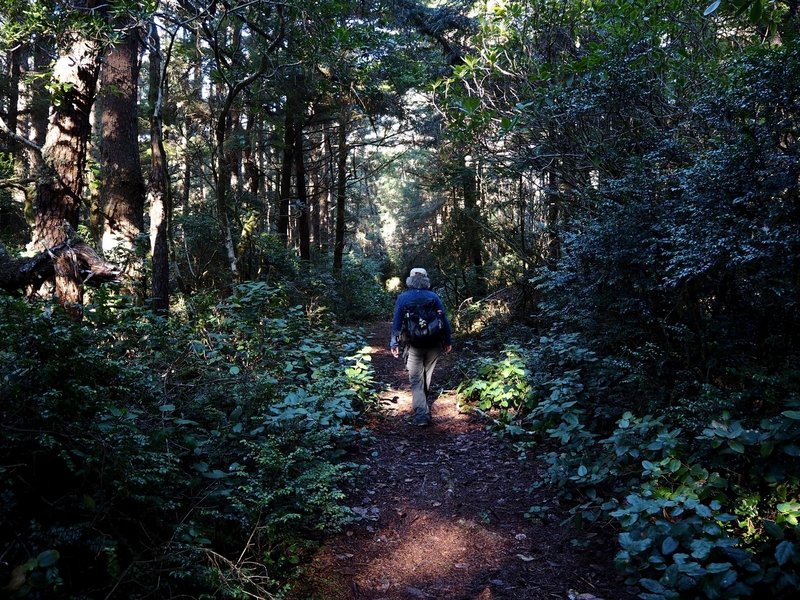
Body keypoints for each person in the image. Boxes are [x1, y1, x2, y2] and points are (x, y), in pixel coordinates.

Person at [390, 267, 453, 426]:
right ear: (426, 280)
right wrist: (448, 340)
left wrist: (394, 342)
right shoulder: (433, 296)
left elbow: (397, 322)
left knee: (416, 379)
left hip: (413, 344)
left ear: (410, 280)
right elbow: (443, 319)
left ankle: (421, 415)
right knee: (427, 376)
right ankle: (422, 406)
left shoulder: (403, 298)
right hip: (433, 344)